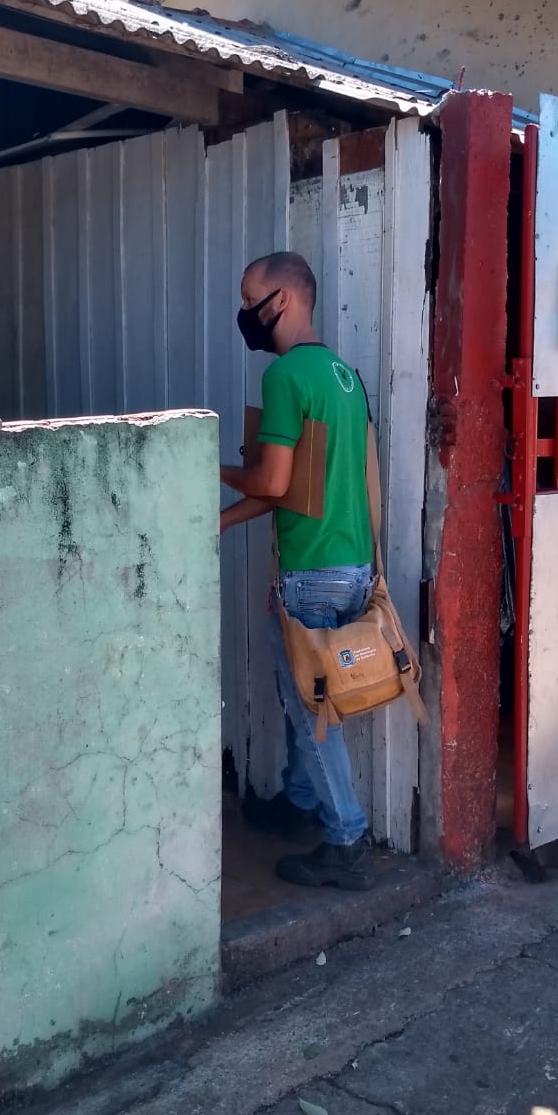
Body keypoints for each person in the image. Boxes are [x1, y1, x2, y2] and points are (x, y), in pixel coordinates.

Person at [219, 251, 375, 891]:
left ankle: (347, 840)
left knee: (310, 711)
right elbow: (300, 487)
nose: (244, 310)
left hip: (310, 573)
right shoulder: (344, 376)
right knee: (308, 704)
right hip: (352, 567)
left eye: (249, 297)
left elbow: (273, 482)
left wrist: (214, 468)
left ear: (281, 300)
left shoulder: (285, 377)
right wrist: (223, 522)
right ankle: (300, 801)